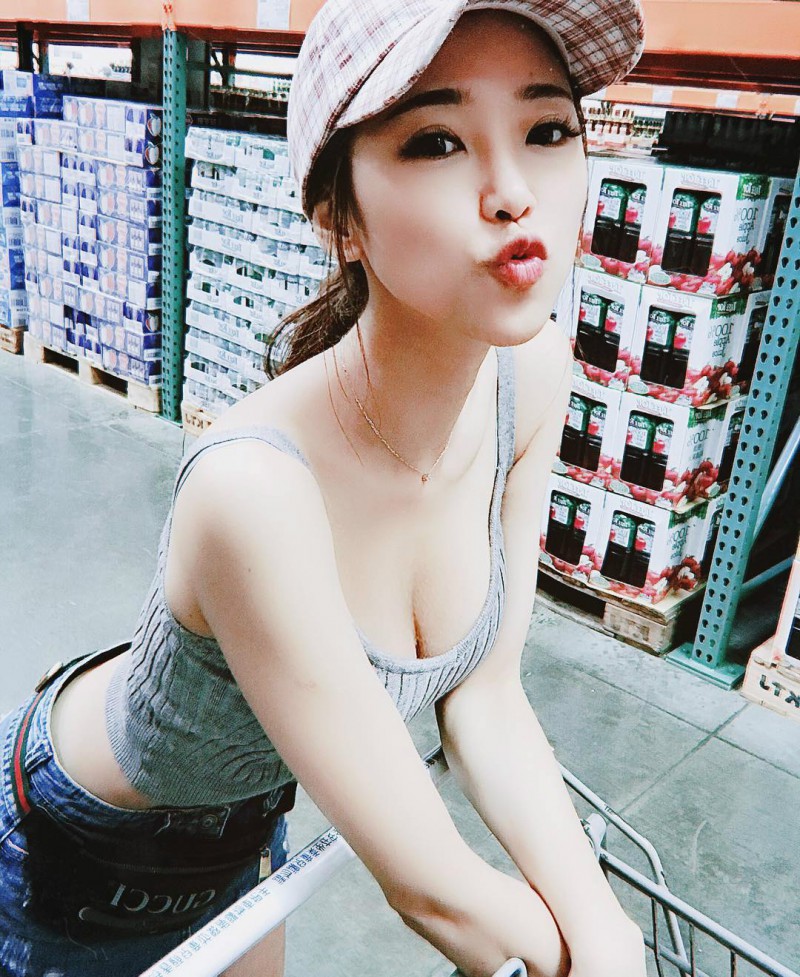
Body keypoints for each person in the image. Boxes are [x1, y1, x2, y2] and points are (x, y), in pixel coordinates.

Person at [0, 1, 649, 975]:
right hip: (71, 851)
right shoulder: (253, 490)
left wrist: (605, 929)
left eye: (546, 129)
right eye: (436, 141)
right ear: (338, 219)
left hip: (247, 823)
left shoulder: (532, 377)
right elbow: (433, 890)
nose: (515, 192)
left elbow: (486, 697)